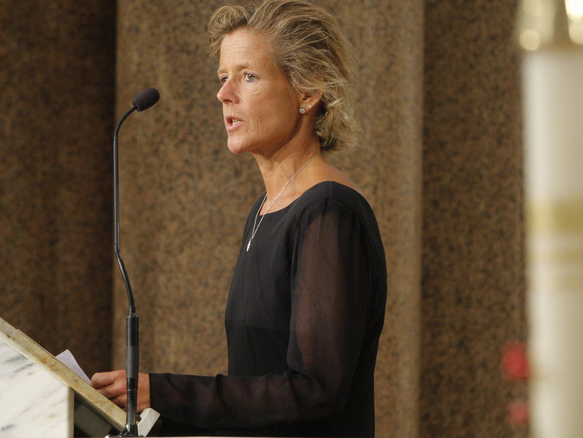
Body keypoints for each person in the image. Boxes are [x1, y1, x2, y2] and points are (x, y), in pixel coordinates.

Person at [92, 0, 387, 436]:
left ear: (307, 92)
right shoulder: (265, 212)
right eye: (223, 77)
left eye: (248, 76)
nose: (224, 93)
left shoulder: (329, 212)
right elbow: (253, 398)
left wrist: (165, 392)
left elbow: (314, 392)